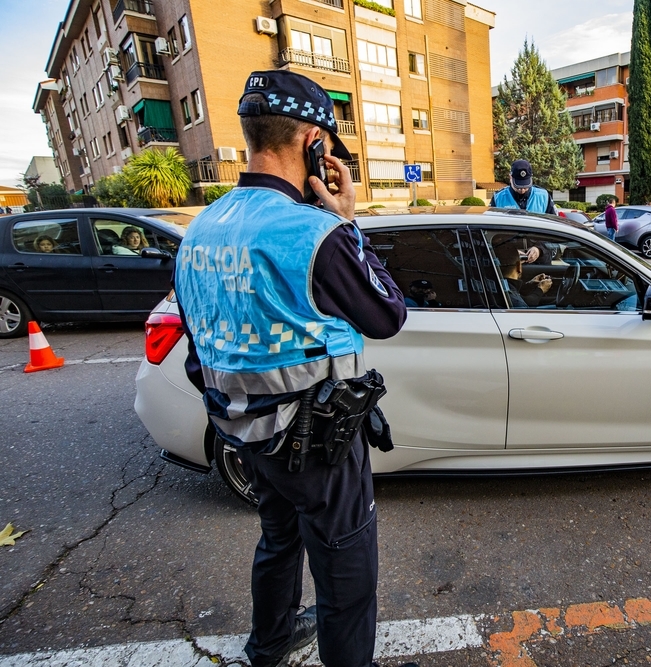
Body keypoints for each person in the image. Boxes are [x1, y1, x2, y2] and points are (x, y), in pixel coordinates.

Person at [173, 70, 410, 667]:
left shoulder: (199, 231)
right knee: (346, 573)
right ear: (315, 144)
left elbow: (199, 336)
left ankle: (271, 640)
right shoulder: (316, 233)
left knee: (278, 538)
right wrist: (348, 219)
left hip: (243, 432)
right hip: (317, 443)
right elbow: (387, 314)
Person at [493, 240, 552, 308]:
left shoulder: (499, 286)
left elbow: (520, 297)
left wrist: (530, 283)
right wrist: (540, 290)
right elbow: (523, 304)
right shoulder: (516, 303)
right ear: (518, 267)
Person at [489, 160, 556, 215]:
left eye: (525, 186)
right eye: (518, 187)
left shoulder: (544, 197)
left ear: (531, 178)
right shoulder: (498, 198)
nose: (522, 190)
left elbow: (556, 222)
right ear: (510, 177)